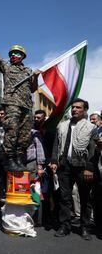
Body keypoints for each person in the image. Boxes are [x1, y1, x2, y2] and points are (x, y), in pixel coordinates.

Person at [0, 32, 40, 171]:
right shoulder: (7, 67)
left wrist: (36, 77)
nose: (13, 55)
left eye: (17, 53)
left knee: (25, 134)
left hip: (26, 105)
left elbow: (33, 89)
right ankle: (9, 158)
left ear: (22, 56)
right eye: (12, 53)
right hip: (12, 103)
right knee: (12, 129)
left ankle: (18, 158)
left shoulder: (27, 71)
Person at [51, 98, 98, 240]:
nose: (74, 110)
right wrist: (54, 161)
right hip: (64, 166)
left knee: (85, 198)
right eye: (73, 107)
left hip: (83, 167)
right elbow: (56, 145)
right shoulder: (63, 126)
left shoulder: (91, 128)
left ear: (84, 110)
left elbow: (93, 150)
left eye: (78, 107)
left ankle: (84, 227)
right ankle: (65, 226)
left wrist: (89, 168)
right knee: (64, 198)